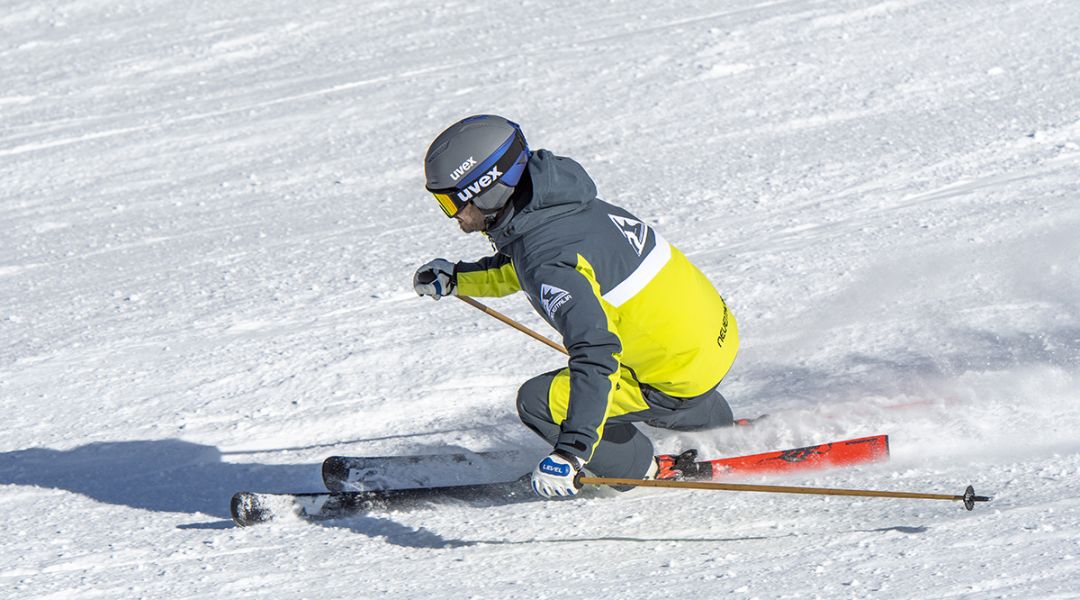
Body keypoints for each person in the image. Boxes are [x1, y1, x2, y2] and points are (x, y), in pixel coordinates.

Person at [413, 115, 740, 498]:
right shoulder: (564, 205)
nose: (453, 216)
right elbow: (527, 268)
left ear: (487, 190)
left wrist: (572, 451)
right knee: (646, 360)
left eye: (452, 201)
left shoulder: (545, 255)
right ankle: (718, 426)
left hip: (675, 374)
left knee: (537, 402)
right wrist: (458, 278)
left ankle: (643, 467)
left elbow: (595, 353)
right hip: (713, 338)